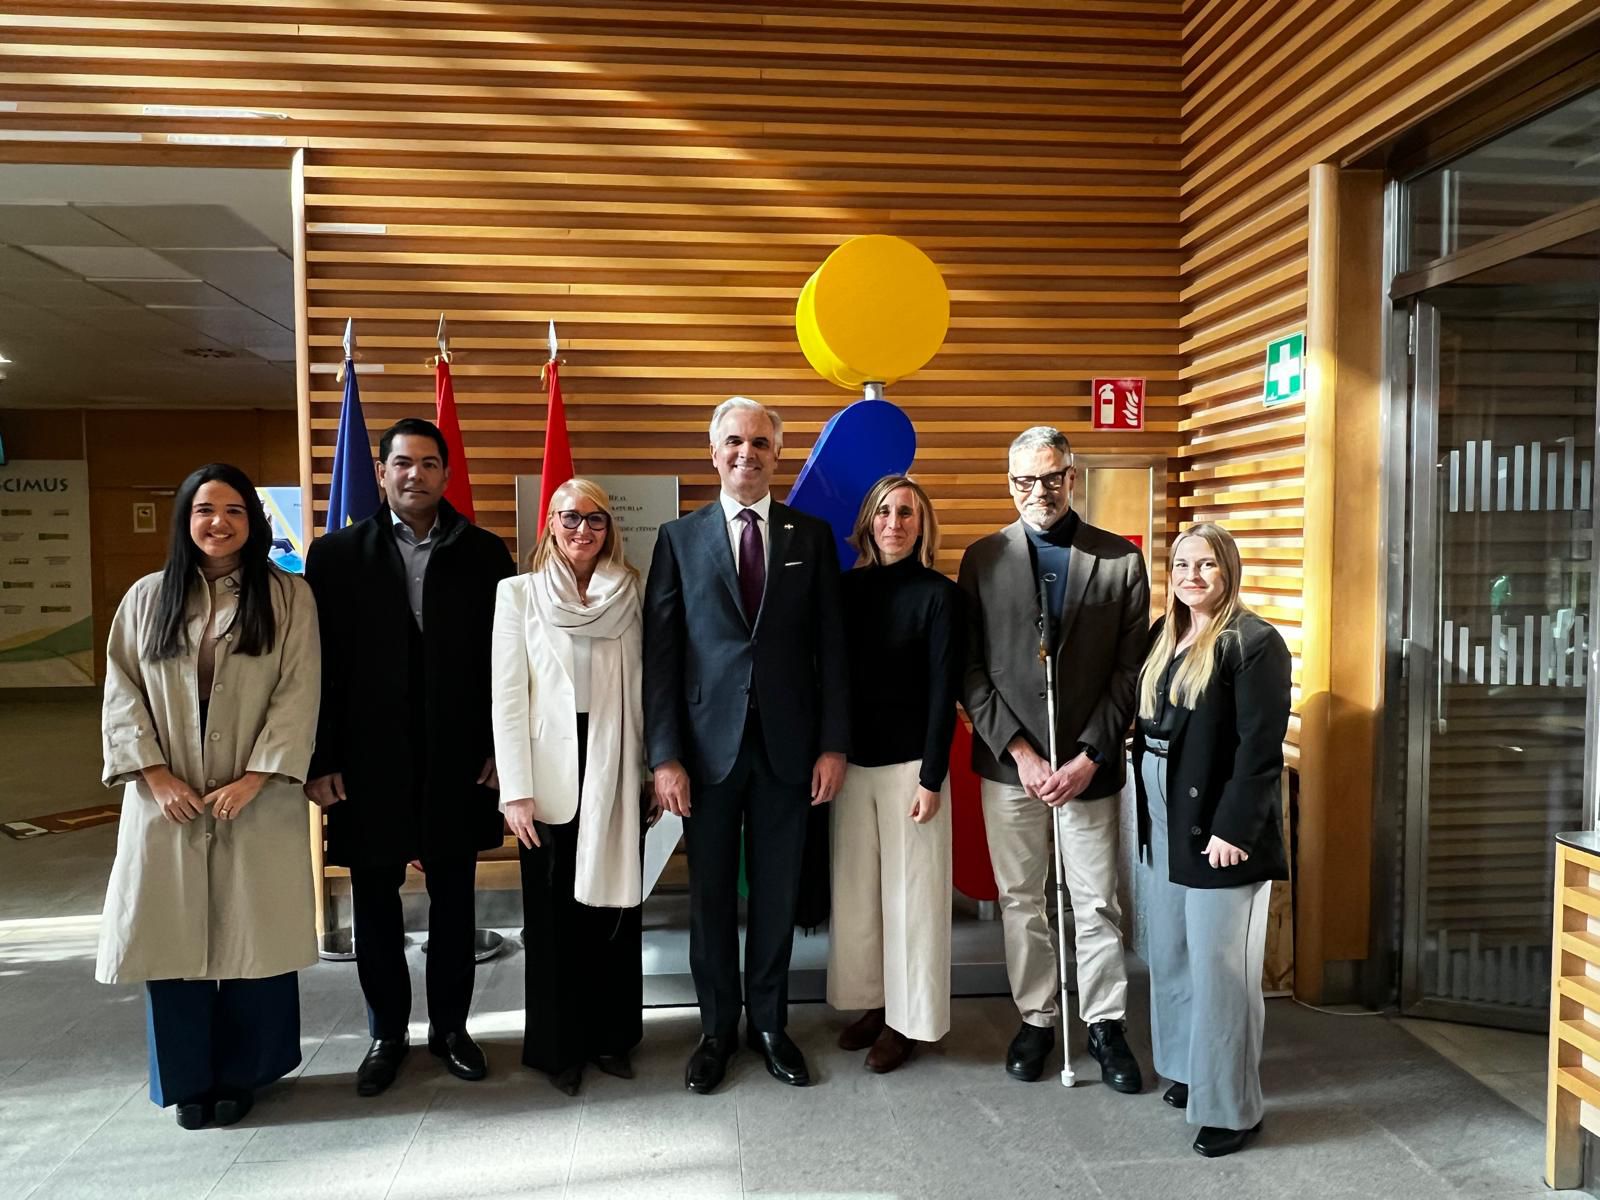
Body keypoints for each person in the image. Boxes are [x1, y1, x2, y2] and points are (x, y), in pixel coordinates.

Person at [96, 463, 320, 1130]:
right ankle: (189, 1078)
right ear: (184, 519)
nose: (217, 522)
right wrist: (154, 774)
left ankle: (249, 1072)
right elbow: (120, 692)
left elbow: (300, 690)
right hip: (167, 799)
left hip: (257, 796)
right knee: (172, 937)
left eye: (233, 511)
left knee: (256, 935)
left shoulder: (287, 598)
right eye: (203, 509)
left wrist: (258, 775)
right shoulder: (146, 598)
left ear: (252, 522)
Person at [643, 395, 850, 1094]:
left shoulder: (811, 537)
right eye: (734, 441)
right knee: (707, 899)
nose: (747, 453)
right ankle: (714, 1029)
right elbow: (662, 655)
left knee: (775, 893)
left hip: (790, 752)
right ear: (714, 451)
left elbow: (832, 651)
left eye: (760, 442)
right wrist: (664, 756)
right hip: (704, 756)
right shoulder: (679, 538)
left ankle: (769, 1023)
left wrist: (833, 745)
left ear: (776, 454)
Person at [304, 417, 514, 1097]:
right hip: (368, 760)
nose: (413, 475)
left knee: (455, 899)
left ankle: (451, 1029)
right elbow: (320, 669)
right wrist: (321, 757)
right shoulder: (334, 556)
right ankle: (385, 1034)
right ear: (384, 471)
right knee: (374, 900)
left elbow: (506, 665)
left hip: (460, 756)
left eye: (428, 464)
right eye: (401, 463)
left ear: (446, 475)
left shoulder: (485, 553)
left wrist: (500, 750)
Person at [958, 425, 1149, 1091]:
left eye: (1050, 477)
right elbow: (972, 671)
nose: (1037, 491)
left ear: (1073, 478)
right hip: (1011, 768)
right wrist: (1021, 752)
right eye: (1023, 480)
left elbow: (1130, 671)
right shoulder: (982, 560)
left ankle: (1104, 1022)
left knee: (1096, 901)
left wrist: (1092, 754)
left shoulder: (1120, 561)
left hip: (1088, 768)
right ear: (1009, 484)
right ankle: (1038, 1017)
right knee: (1022, 899)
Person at [491, 478, 656, 1097]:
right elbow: (507, 696)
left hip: (618, 758)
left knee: (614, 909)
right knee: (555, 915)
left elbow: (645, 684)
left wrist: (646, 769)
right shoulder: (519, 595)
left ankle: (612, 1037)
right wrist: (516, 789)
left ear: (609, 529)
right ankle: (560, 1048)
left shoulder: (631, 592)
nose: (582, 530)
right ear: (550, 525)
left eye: (594, 520)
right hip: (548, 771)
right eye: (569, 518)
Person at [1133, 522, 1291, 1158]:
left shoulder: (1254, 643)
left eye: (1206, 566)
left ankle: (1232, 1106)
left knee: (1222, 973)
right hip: (1163, 816)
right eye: (1181, 565)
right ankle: (1189, 1070)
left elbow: (1259, 749)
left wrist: (1234, 828)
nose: (1191, 577)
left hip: (1219, 830)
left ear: (1229, 572)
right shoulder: (1166, 634)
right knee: (1170, 955)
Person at [826, 475, 963, 1073]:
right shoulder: (844, 590)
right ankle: (874, 1005)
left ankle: (911, 1022)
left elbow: (943, 693)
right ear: (868, 521)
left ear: (921, 525)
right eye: (884, 511)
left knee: (913, 904)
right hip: (852, 766)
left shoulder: (940, 594)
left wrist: (933, 777)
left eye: (906, 512)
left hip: (913, 769)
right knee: (859, 899)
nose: (894, 522)